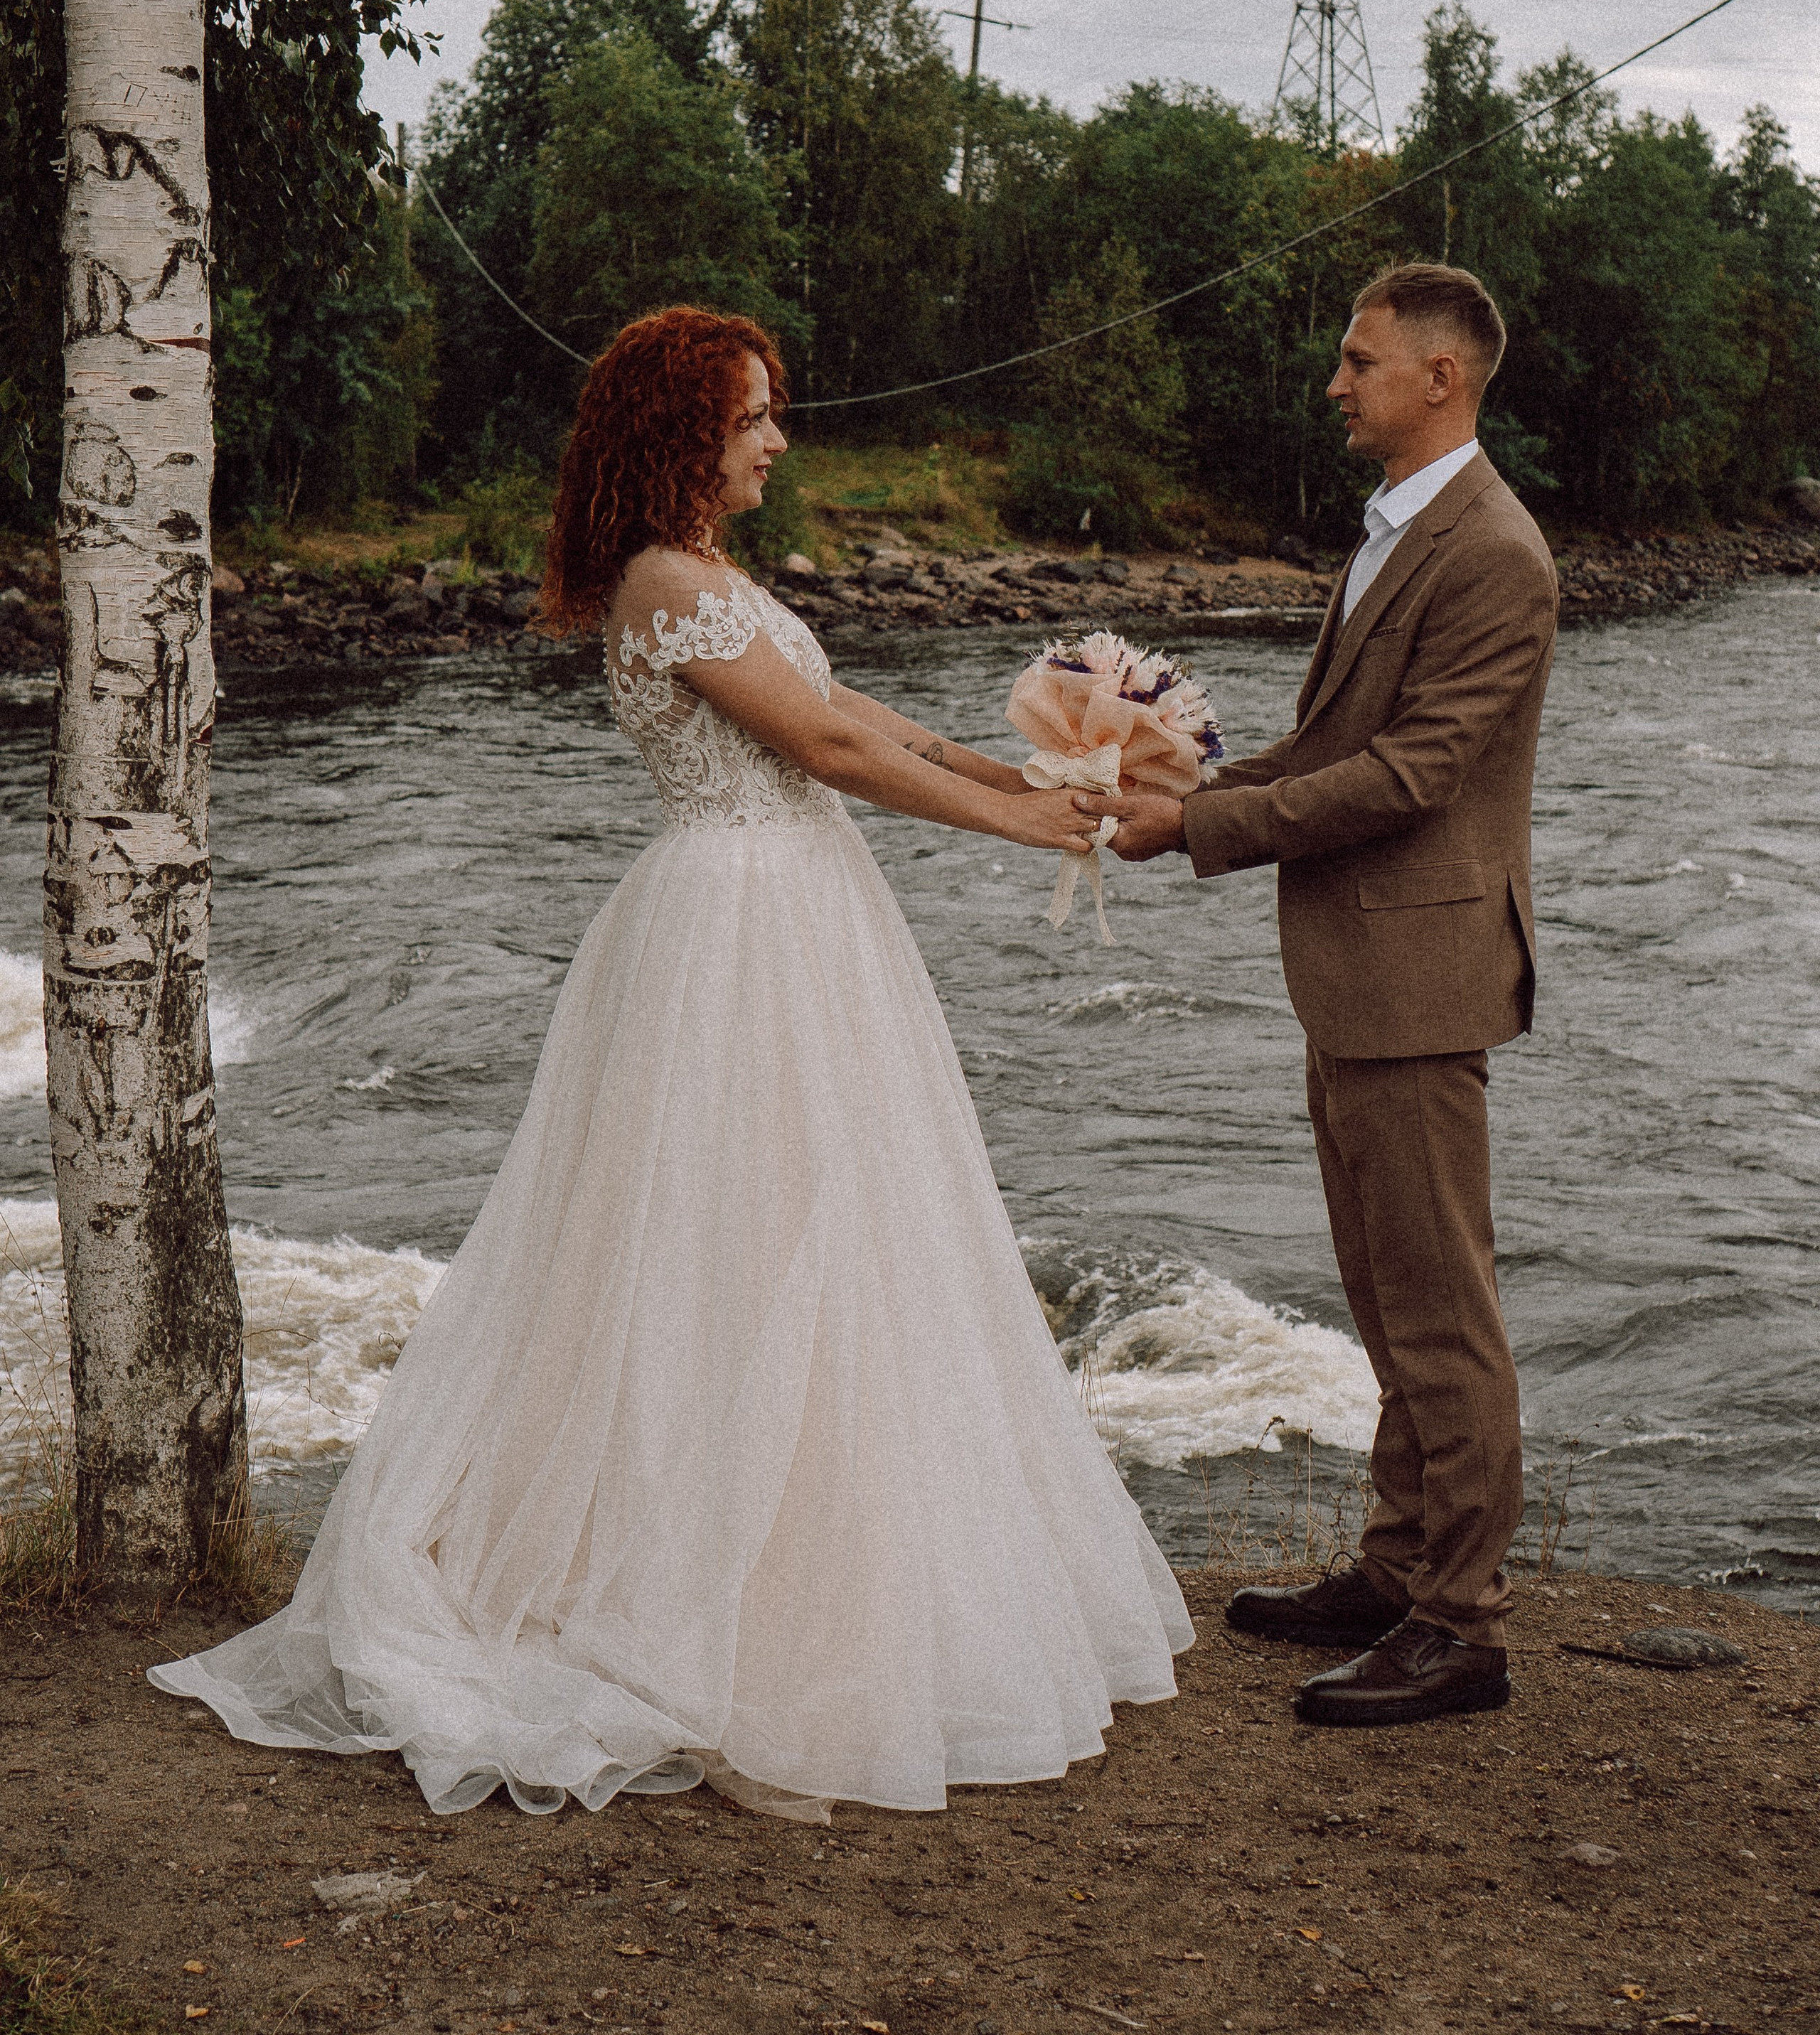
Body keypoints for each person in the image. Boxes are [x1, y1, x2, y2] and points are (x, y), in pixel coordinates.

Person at [151, 304, 1191, 1818]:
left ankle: (818, 1582)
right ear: (682, 432)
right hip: (736, 926)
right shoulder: (662, 584)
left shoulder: (712, 577)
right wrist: (1022, 826)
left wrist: (1027, 769)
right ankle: (714, 1623)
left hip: (801, 910)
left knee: (831, 1232)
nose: (778, 440)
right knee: (735, 1241)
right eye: (753, 415)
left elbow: (849, 711)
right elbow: (827, 755)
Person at [1111, 263, 1557, 1729]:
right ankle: (1396, 1567)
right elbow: (1325, 746)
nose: (1334, 384)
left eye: (1358, 361)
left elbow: (1412, 774)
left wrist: (1201, 830)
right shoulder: (1399, 528)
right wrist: (1172, 790)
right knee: (1384, 1293)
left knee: (1441, 1311)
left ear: (1441, 376)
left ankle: (1462, 1627)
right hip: (1364, 972)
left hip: (1420, 978)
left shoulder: (1494, 550)